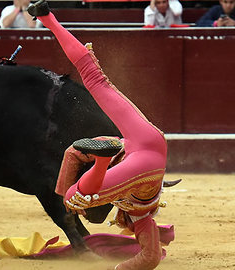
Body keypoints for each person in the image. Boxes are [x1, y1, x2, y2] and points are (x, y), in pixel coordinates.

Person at [28, 1, 168, 269]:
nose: (121, 221)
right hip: (143, 162)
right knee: (75, 198)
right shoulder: (141, 217)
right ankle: (101, 161)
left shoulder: (141, 215)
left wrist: (79, 157)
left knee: (95, 78)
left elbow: (72, 151)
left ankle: (47, 18)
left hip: (147, 141)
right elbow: (150, 258)